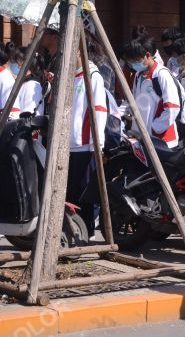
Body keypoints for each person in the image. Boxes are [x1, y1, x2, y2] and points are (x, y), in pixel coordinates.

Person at [69, 48, 108, 235]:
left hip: (85, 144)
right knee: (71, 192)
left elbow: (99, 110)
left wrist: (97, 143)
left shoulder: (93, 76)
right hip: (69, 144)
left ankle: (86, 232)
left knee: (85, 192)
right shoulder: (71, 75)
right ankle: (72, 229)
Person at [123, 35, 182, 148]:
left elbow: (172, 107)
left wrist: (155, 127)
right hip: (141, 138)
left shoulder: (161, 75)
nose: (134, 64)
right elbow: (134, 101)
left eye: (136, 61)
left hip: (161, 140)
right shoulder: (138, 75)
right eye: (131, 62)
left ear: (148, 55)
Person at [6, 44, 45, 118]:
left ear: (24, 64)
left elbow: (29, 115)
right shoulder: (22, 84)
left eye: (15, 62)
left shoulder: (32, 85)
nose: (12, 65)